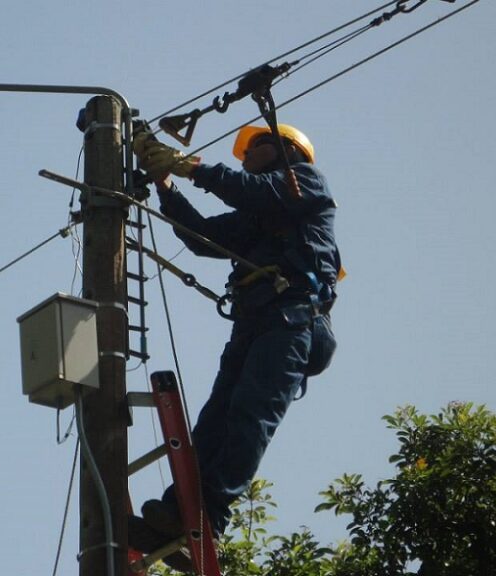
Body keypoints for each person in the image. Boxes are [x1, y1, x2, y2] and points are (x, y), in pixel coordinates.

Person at [128, 124, 341, 571]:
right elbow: (203, 237)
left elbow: (247, 190)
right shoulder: (258, 215)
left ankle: (212, 519)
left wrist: (187, 167)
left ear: (285, 152)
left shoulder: (304, 185)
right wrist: (166, 185)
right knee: (213, 422)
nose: (245, 158)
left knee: (248, 416)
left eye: (253, 149)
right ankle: (177, 515)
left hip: (292, 320)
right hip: (254, 321)